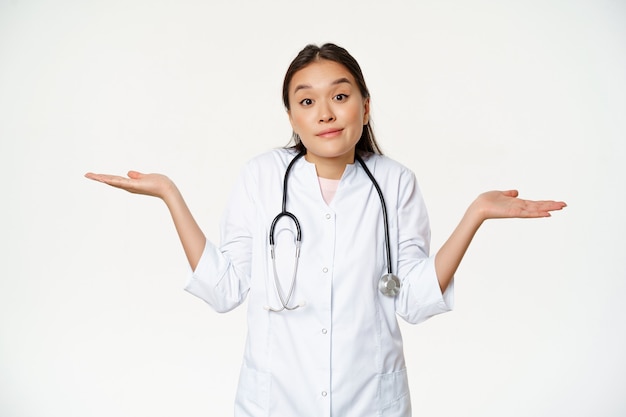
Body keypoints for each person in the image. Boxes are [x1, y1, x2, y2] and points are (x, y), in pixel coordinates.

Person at [85, 43, 566, 417]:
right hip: (276, 401)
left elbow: (414, 300)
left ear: (365, 105)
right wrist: (171, 194)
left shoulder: (394, 183)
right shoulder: (263, 176)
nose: (325, 112)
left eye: (339, 95)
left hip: (370, 400)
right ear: (292, 116)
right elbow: (225, 287)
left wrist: (475, 214)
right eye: (307, 100)